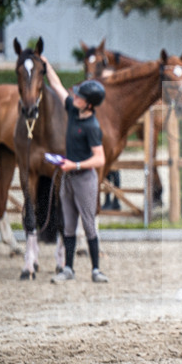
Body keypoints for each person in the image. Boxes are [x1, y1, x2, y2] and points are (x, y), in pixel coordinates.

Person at [42, 60, 109, 284]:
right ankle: (68, 268)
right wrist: (47, 65)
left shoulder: (92, 127)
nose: (75, 97)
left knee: (88, 224)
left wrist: (76, 165)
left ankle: (96, 269)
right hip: (68, 176)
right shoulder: (72, 109)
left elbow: (100, 158)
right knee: (68, 224)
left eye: (80, 96)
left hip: (84, 178)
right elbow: (58, 86)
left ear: (89, 105)